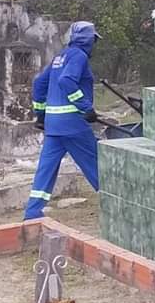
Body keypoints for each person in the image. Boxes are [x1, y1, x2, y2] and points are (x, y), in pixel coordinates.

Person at [23, 21, 101, 220]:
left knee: (46, 169)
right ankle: (116, 204)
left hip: (53, 125)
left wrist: (40, 114)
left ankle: (32, 213)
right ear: (89, 40)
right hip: (73, 124)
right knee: (97, 164)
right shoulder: (79, 56)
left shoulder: (60, 56)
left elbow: (40, 82)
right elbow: (66, 81)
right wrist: (86, 107)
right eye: (94, 40)